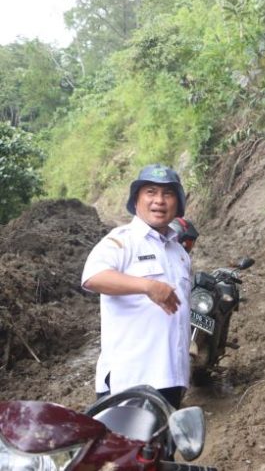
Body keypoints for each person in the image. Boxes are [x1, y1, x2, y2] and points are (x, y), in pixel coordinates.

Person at [82, 164, 192, 409]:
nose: (159, 201)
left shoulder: (179, 253)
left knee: (161, 447)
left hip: (172, 378)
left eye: (168, 194)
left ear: (178, 202)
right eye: (151, 192)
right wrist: (147, 286)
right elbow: (93, 276)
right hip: (131, 380)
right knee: (127, 447)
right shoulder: (121, 240)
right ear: (137, 200)